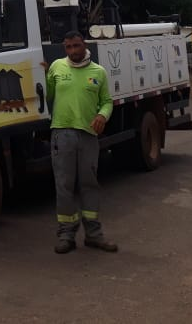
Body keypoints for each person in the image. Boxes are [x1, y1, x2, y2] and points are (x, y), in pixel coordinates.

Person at [44, 30, 118, 254]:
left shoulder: (99, 72)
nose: (73, 51)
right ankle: (66, 235)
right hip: (61, 134)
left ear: (84, 45)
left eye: (76, 46)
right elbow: (46, 96)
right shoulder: (56, 67)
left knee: (89, 184)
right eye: (68, 47)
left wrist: (102, 116)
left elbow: (107, 101)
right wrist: (42, 74)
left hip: (88, 135)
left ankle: (94, 235)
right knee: (64, 186)